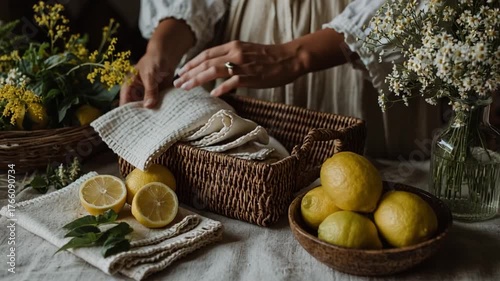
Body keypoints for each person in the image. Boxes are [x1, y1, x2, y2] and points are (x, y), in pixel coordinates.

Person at [120, 0, 443, 159]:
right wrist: (163, 48)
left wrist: (297, 55)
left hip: (358, 57)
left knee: (366, 192)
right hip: (249, 33)